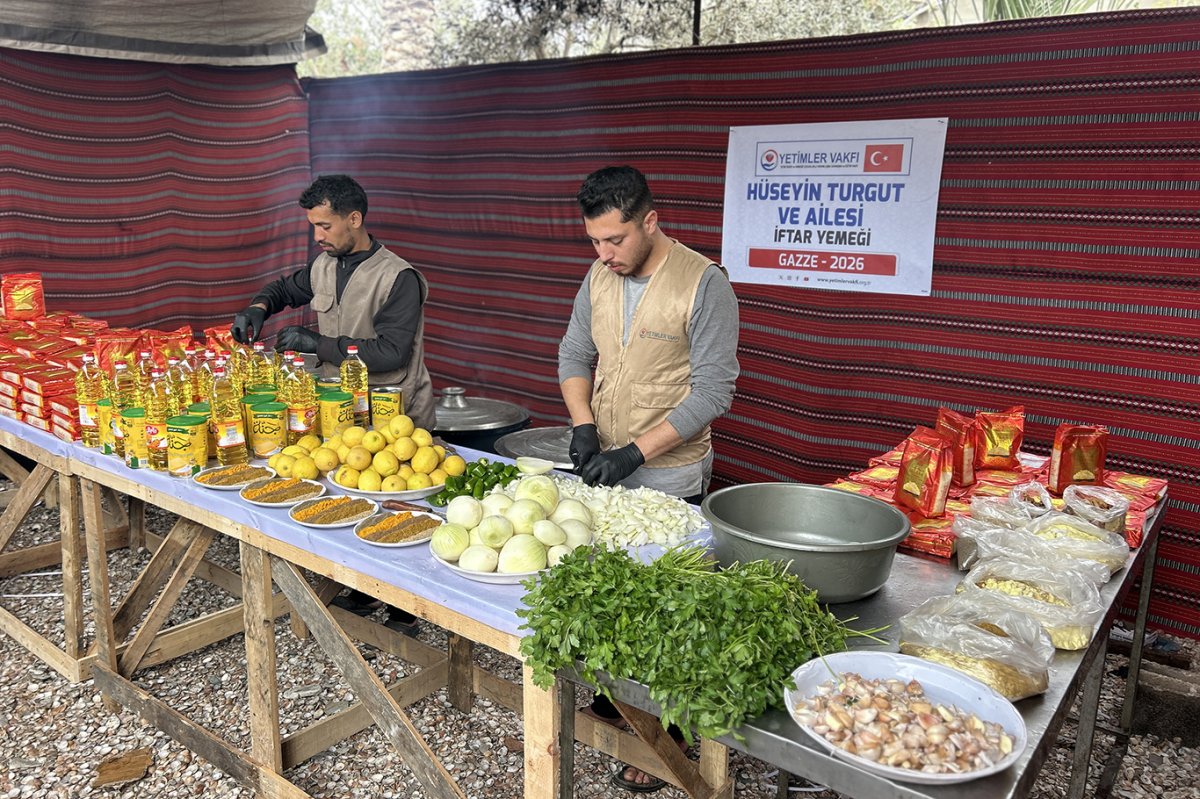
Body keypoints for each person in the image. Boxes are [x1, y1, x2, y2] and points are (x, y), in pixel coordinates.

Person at [557, 165, 740, 792]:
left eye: (615, 240)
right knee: (611, 590)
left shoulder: (703, 284)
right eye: (594, 242)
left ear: (651, 222)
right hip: (604, 459)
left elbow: (714, 391)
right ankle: (618, 704)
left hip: (669, 473)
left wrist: (636, 453)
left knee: (666, 606)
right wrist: (583, 424)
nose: (604, 255)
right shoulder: (598, 275)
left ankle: (674, 733)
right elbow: (575, 353)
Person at [229, 173, 435, 635]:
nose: (317, 236)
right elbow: (285, 289)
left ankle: (407, 609)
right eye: (313, 227)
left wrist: (317, 344)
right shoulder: (324, 265)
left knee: (397, 504)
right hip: (340, 411)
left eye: (325, 226)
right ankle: (361, 589)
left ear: (354, 219)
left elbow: (391, 352)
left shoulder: (397, 277)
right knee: (348, 495)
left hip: (395, 413)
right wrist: (258, 307)